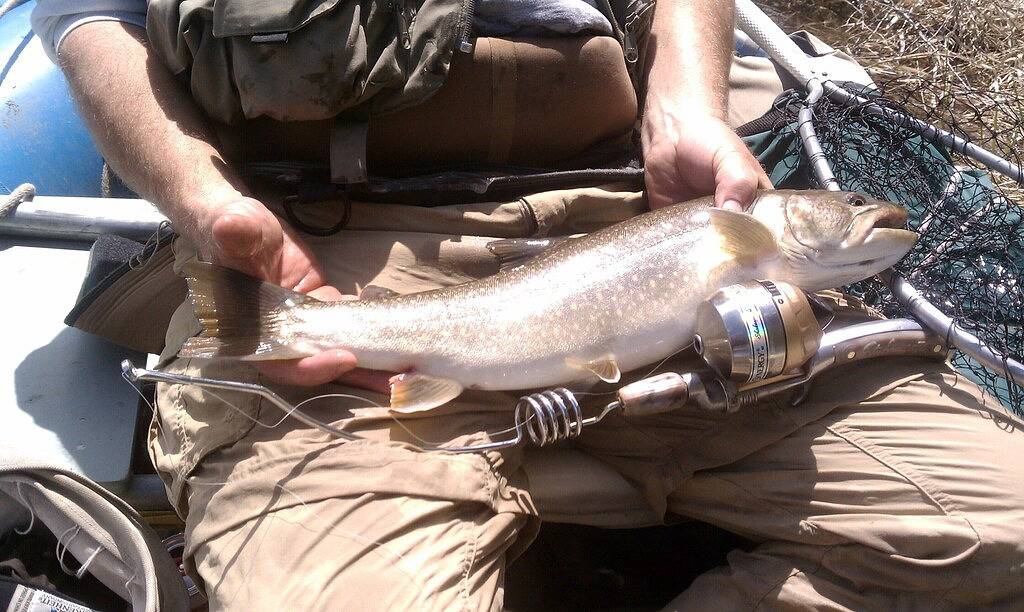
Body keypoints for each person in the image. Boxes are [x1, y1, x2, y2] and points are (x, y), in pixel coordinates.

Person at [34, 0, 1024, 609]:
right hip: (336, 249)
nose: (856, 216)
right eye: (841, 209)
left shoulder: (750, 237)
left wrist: (689, 104)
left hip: (622, 215)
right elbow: (85, 19)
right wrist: (208, 208)